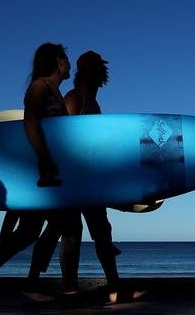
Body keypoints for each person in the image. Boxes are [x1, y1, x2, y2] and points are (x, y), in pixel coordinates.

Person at [28, 51, 143, 303]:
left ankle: (114, 288)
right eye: (92, 69)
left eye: (98, 69)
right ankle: (63, 288)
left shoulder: (93, 103)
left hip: (90, 178)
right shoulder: (75, 97)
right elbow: (63, 136)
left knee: (101, 231)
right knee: (69, 230)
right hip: (73, 178)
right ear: (83, 74)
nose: (97, 73)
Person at [0, 43, 82, 301]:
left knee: (34, 231)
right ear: (58, 61)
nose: (69, 63)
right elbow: (30, 122)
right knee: (59, 228)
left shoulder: (54, 90)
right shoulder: (39, 87)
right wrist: (43, 158)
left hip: (51, 170)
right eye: (66, 58)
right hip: (40, 171)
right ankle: (69, 290)